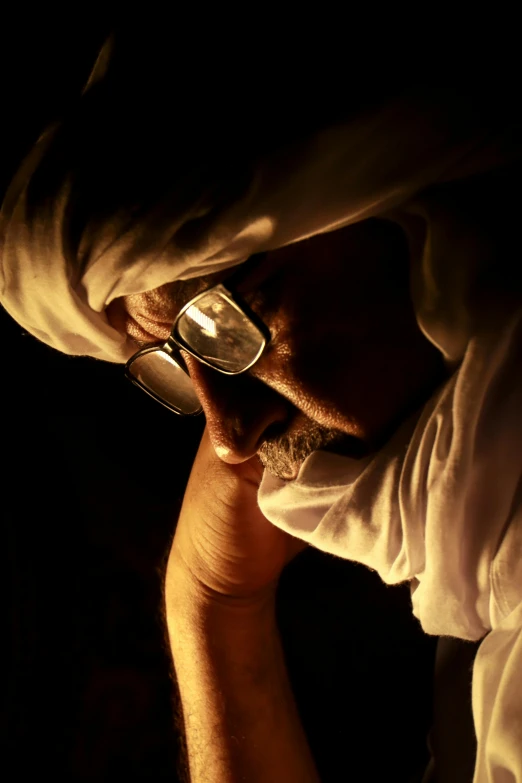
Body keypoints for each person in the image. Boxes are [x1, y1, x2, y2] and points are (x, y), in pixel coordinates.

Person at [2, 24, 522, 782]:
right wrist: (210, 608)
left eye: (230, 318)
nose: (230, 435)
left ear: (425, 216)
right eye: (180, 361)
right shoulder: (487, 604)